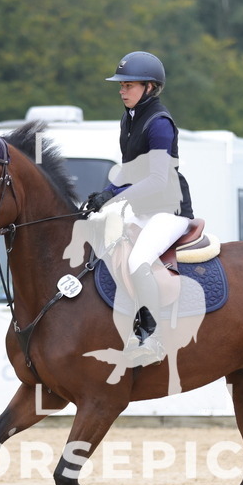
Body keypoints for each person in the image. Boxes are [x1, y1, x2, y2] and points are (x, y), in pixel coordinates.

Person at [86, 51, 194, 367]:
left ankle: (154, 335)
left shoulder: (159, 123)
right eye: (121, 85)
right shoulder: (129, 119)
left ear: (149, 87)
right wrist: (103, 195)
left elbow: (158, 179)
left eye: (128, 85)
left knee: (137, 261)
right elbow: (131, 173)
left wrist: (116, 199)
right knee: (101, 245)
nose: (121, 90)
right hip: (144, 208)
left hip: (168, 210)